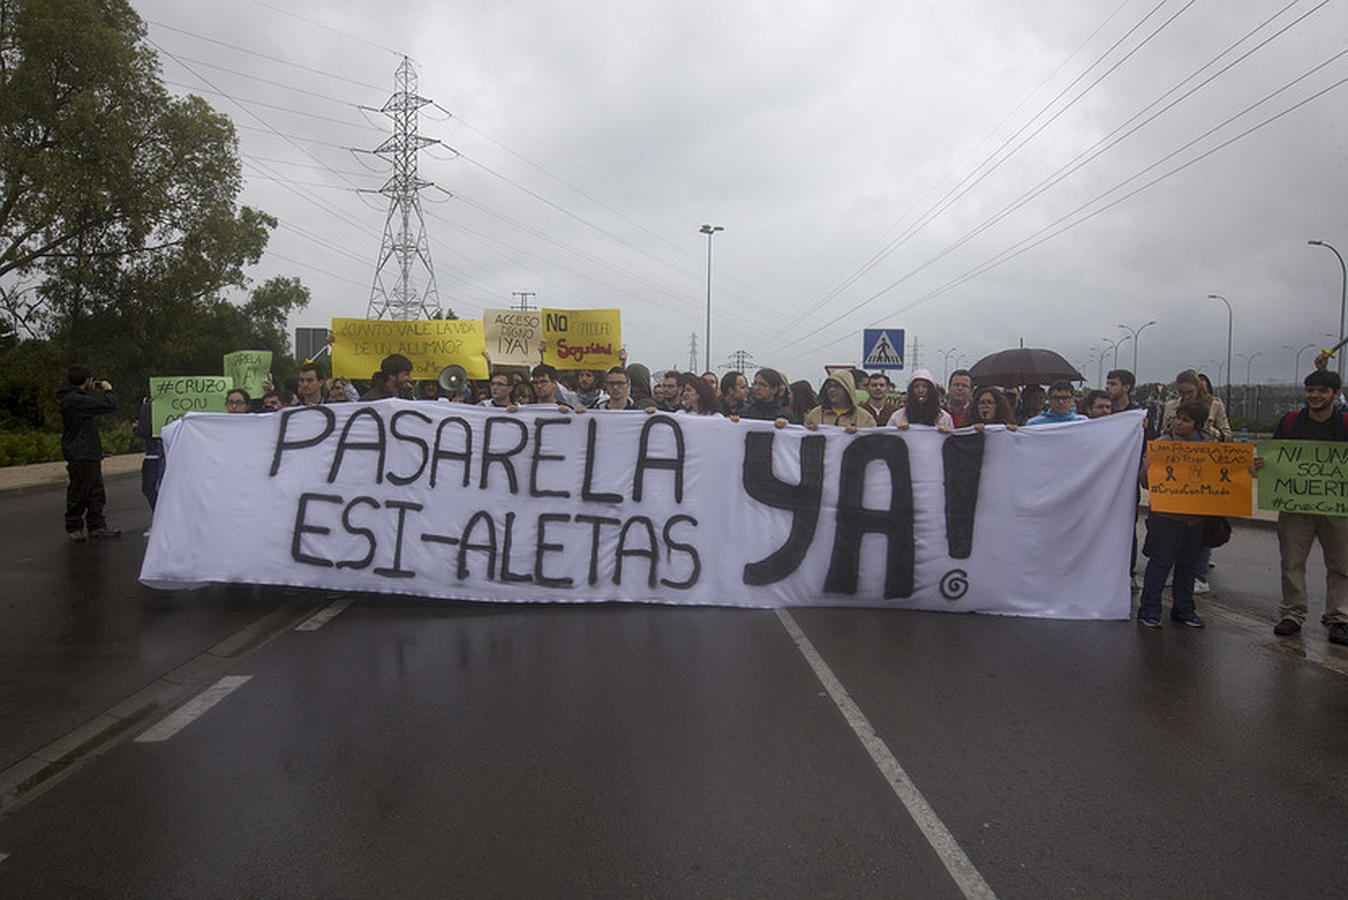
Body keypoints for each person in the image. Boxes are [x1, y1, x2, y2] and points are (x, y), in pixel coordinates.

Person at [1253, 368, 1348, 645]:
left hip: (1336, 507)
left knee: (1341, 564)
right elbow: (1273, 456)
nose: (1315, 396)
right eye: (1310, 390)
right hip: (1295, 506)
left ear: (1335, 394)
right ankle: (1292, 614)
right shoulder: (1291, 421)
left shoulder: (1344, 423)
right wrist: (1261, 465)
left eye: (1321, 391)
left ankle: (1339, 618)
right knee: (1292, 561)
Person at [1136, 400, 1211, 628]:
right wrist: (1147, 471)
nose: (1179, 423)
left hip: (1196, 517)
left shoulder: (1211, 445)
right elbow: (1146, 483)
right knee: (1160, 563)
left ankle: (1184, 609)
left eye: (1186, 420)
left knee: (1188, 566)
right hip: (1167, 517)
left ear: (1197, 424)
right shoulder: (1162, 444)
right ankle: (1149, 610)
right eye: (1177, 418)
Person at [58, 365, 120, 541]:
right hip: (81, 451)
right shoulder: (74, 400)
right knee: (79, 489)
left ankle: (96, 526)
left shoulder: (74, 398)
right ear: (86, 381)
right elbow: (109, 405)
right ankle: (74, 526)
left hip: (86, 451)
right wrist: (108, 390)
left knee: (95, 490)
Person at [1161, 369, 1232, 441]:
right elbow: (1162, 432)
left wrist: (1208, 430)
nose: (1186, 396)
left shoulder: (1214, 405)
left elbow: (1227, 436)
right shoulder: (1170, 406)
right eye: (1182, 392)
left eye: (1190, 392)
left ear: (1197, 388)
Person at [805, 370, 875, 431]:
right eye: (829, 386)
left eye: (837, 386)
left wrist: (856, 435)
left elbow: (872, 442)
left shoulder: (864, 418)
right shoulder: (815, 415)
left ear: (847, 389)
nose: (831, 390)